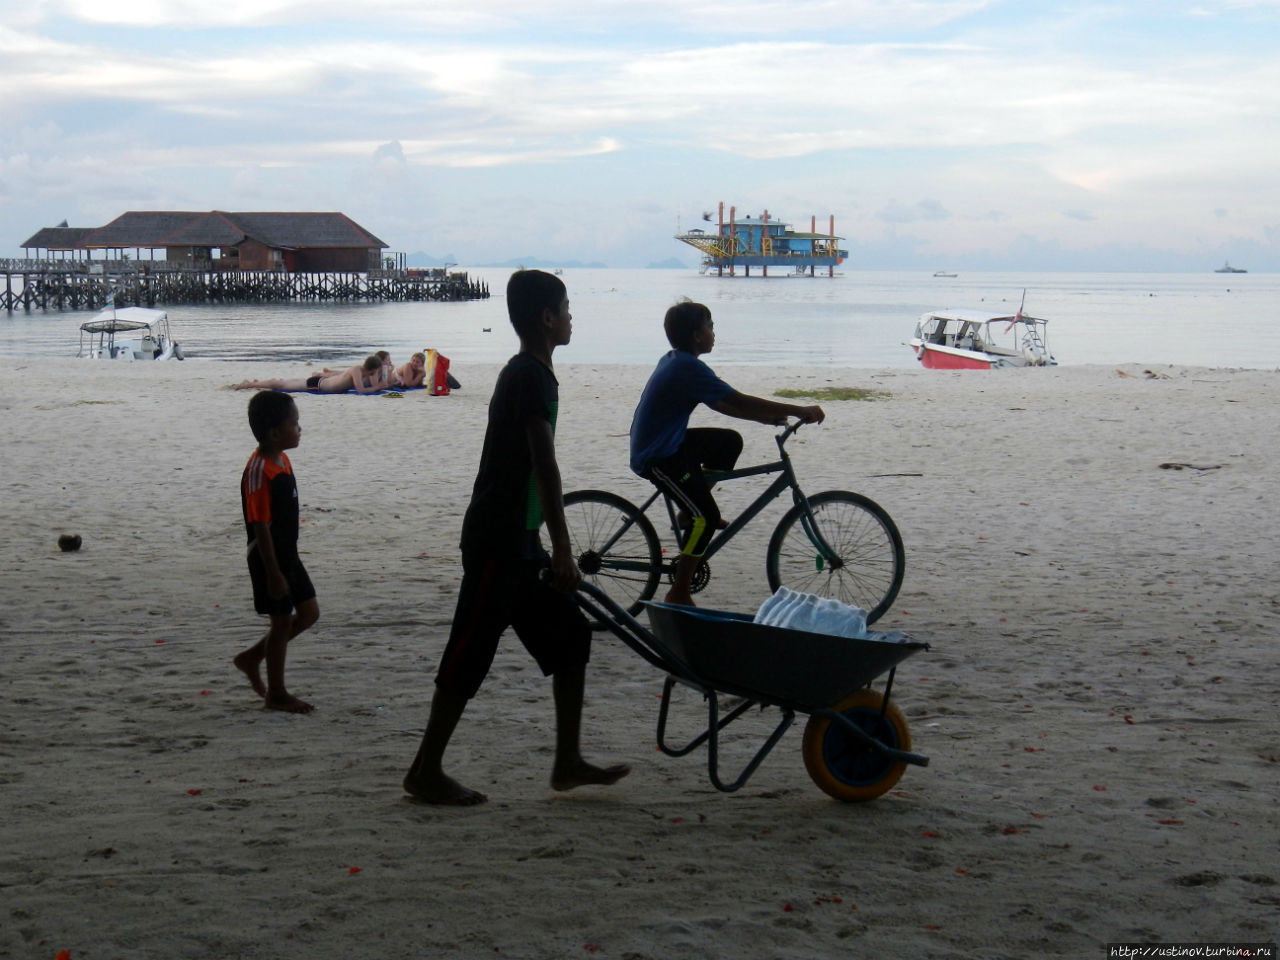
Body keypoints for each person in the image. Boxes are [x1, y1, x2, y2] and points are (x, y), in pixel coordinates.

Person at [403, 270, 631, 805]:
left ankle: (568, 761)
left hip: (519, 539)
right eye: (567, 309)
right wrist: (566, 551)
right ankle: (424, 771)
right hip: (497, 540)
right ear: (547, 318)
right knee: (469, 651)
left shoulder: (534, 372)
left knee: (570, 637)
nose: (572, 317)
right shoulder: (528, 376)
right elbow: (544, 465)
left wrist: (545, 545)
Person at [629, 299, 825, 606]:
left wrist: (763, 417)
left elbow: (722, 404)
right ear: (696, 335)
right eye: (710, 326)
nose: (713, 332)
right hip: (657, 456)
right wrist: (799, 409)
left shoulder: (678, 360)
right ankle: (678, 592)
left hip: (670, 442)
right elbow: (738, 399)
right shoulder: (687, 367)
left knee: (729, 442)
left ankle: (686, 511)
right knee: (707, 517)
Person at [233, 390, 319, 713]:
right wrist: (272, 573)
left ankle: (252, 657)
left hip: (288, 553)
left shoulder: (281, 459)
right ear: (273, 433)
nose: (299, 429)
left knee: (309, 613)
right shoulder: (259, 471)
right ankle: (277, 693)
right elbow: (260, 525)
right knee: (281, 622)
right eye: (294, 424)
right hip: (267, 557)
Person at [232, 356, 386, 394]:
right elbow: (361, 390)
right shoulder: (357, 371)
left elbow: (374, 382)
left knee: (283, 382)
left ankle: (257, 382)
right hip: (317, 385)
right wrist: (378, 386)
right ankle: (250, 385)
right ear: (373, 369)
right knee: (282, 385)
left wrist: (384, 377)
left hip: (321, 381)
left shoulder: (358, 370)